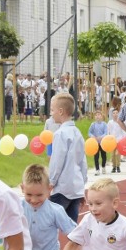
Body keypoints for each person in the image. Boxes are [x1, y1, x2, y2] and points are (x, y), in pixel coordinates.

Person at [47, 92, 87, 224]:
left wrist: (51, 182)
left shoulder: (60, 134)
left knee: (48, 223)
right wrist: (82, 183)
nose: (51, 113)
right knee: (72, 227)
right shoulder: (77, 133)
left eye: (52, 110)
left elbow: (57, 160)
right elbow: (83, 161)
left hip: (62, 188)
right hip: (76, 187)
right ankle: (76, 245)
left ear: (61, 111)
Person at [107, 100, 125, 173]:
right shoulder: (110, 122)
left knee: (117, 153)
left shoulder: (120, 122)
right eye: (113, 113)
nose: (115, 114)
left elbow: (123, 130)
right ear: (112, 114)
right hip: (112, 139)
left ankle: (118, 166)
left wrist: (123, 138)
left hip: (119, 139)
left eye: (116, 113)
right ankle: (114, 166)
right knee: (113, 154)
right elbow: (108, 131)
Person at [88, 110, 108, 175]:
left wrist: (101, 137)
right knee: (96, 156)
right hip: (95, 143)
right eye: (96, 115)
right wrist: (92, 136)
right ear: (94, 117)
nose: (97, 116)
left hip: (103, 143)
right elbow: (89, 132)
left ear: (102, 116)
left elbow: (106, 132)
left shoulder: (104, 124)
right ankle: (97, 169)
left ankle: (103, 167)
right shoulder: (93, 124)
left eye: (99, 115)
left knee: (103, 155)